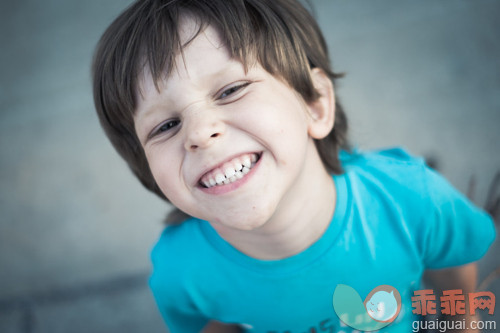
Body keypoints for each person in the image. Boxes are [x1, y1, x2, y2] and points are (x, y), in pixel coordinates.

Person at [92, 0, 496, 332]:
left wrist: (461, 322)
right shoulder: (181, 270)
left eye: (230, 90)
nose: (198, 132)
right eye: (165, 125)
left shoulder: (411, 198)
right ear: (147, 170)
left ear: (315, 103)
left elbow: (453, 272)